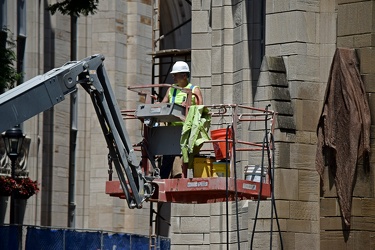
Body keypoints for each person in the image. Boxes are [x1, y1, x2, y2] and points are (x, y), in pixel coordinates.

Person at [159, 61, 203, 178]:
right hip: (173, 130)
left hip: (188, 130)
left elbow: (200, 110)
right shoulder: (171, 90)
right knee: (169, 156)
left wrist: (189, 106)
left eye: (175, 75)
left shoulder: (194, 90)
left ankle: (183, 179)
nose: (173, 77)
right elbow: (163, 105)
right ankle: (167, 179)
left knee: (186, 157)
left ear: (184, 76)